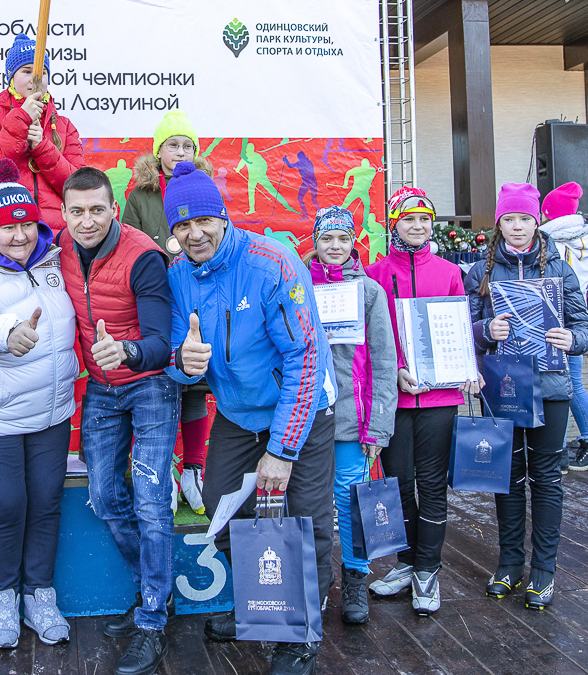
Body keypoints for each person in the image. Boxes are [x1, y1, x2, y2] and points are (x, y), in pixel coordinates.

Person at [164, 161, 337, 675]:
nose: (195, 234)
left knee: (302, 518)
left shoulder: (271, 263)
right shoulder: (178, 277)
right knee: (222, 510)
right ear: (172, 230)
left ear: (223, 217)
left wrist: (282, 450)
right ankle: (263, 607)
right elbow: (180, 351)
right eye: (182, 225)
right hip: (239, 414)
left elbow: (306, 358)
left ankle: (301, 629)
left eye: (204, 222)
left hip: (301, 406)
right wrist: (181, 362)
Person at [0, 158, 79, 649]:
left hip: (51, 409)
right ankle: (4, 597)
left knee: (46, 503)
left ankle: (39, 594)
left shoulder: (52, 260)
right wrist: (7, 333)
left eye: (26, 222)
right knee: (8, 504)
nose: (20, 235)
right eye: (6, 227)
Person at [56, 167, 178, 675]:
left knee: (151, 502)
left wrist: (124, 350)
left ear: (113, 209)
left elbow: (160, 344)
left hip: (146, 382)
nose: (87, 221)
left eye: (96, 210)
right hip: (102, 390)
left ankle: (152, 620)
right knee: (104, 496)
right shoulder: (56, 246)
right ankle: (153, 590)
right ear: (64, 214)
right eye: (77, 211)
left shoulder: (143, 256)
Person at [465, 183, 588, 609]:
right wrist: (486, 332)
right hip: (501, 388)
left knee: (547, 478)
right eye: (509, 219)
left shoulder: (559, 269)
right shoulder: (480, 271)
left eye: (525, 219)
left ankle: (543, 570)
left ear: (536, 221)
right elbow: (466, 330)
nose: (517, 227)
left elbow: (586, 328)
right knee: (506, 475)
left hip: (551, 386)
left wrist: (570, 337)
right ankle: (509, 563)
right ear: (498, 223)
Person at [364, 187, 479, 616]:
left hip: (440, 395)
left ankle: (428, 569)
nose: (417, 226)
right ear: (394, 222)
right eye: (409, 218)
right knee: (397, 483)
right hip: (391, 397)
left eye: (425, 219)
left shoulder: (449, 271)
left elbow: (459, 326)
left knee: (431, 484)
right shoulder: (375, 273)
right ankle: (405, 563)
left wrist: (467, 366)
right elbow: (371, 336)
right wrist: (393, 372)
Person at [307, 206, 397, 626]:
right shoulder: (298, 285)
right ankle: (316, 581)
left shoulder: (370, 293)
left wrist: (379, 424)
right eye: (327, 239)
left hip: (352, 421)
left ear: (353, 242)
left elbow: (383, 361)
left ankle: (356, 579)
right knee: (309, 504)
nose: (335, 247)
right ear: (315, 242)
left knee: (352, 502)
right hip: (307, 418)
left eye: (343, 239)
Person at [122, 109, 212, 515]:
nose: (180, 151)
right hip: (156, 297)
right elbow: (129, 240)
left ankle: (194, 467)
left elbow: (213, 233)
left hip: (197, 296)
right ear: (158, 152)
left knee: (195, 386)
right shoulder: (140, 193)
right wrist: (164, 249)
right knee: (160, 384)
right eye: (172, 144)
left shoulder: (205, 185)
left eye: (187, 144)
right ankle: (164, 472)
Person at [0, 33, 85, 233]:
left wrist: (42, 148)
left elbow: (78, 187)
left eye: (42, 72)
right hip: (8, 232)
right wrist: (20, 121)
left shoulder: (65, 126)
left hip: (56, 236)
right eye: (26, 71)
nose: (35, 78)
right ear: (11, 77)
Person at [538, 182, 588, 472]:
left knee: (563, 386)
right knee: (571, 383)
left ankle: (566, 448)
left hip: (559, 325)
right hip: (577, 323)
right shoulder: (584, 242)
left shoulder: (556, 243)